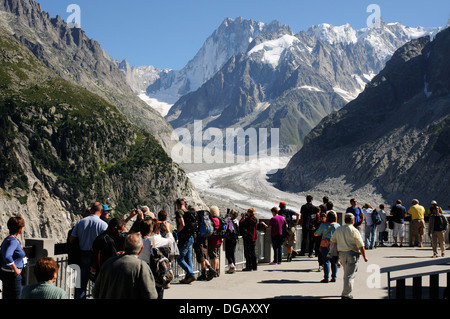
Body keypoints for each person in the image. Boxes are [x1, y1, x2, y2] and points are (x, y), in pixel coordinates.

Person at [92, 232, 158, 299]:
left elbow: (95, 292)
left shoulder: (108, 263)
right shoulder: (141, 267)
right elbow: (151, 295)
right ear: (141, 249)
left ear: (124, 246)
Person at [69, 202, 108, 299]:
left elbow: (71, 239)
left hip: (82, 255)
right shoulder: (103, 225)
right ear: (101, 211)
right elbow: (106, 242)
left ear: (91, 210)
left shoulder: (81, 222)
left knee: (81, 284)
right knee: (98, 283)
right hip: (96, 256)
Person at [330, 213, 368, 299]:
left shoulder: (339, 229)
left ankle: (346, 292)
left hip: (341, 254)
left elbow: (332, 240)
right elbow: (360, 245)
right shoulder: (354, 230)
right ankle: (346, 294)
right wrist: (364, 256)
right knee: (349, 275)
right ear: (353, 221)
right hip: (352, 254)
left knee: (346, 273)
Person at [90, 217, 126, 282]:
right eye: (120, 231)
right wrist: (121, 255)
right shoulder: (108, 241)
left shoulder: (101, 237)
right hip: (106, 274)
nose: (120, 233)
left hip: (97, 272)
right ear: (115, 229)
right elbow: (113, 259)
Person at [0, 216, 27, 299]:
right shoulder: (13, 241)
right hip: (13, 275)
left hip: (5, 273)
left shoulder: (7, 239)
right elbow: (8, 256)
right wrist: (15, 269)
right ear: (19, 228)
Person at [315, 209, 340, 283]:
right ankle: (334, 277)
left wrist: (316, 233)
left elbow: (317, 233)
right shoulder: (337, 225)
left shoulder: (323, 225)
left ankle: (326, 278)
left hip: (325, 244)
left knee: (326, 261)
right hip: (334, 244)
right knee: (334, 261)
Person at [175, 198, 197, 284]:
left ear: (177, 204)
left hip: (184, 238)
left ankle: (191, 274)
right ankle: (188, 277)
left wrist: (177, 232)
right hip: (191, 237)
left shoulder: (179, 212)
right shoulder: (189, 212)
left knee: (179, 258)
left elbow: (182, 224)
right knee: (188, 258)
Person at [193, 207, 216, 281]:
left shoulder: (197, 216)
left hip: (200, 238)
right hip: (206, 237)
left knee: (201, 255)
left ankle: (209, 269)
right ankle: (204, 272)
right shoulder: (207, 215)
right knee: (204, 255)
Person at [224, 209, 239, 274]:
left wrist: (225, 217)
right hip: (235, 239)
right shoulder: (237, 221)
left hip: (229, 239)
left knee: (228, 254)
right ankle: (233, 266)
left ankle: (232, 266)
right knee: (232, 253)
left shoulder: (229, 221)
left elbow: (224, 224)